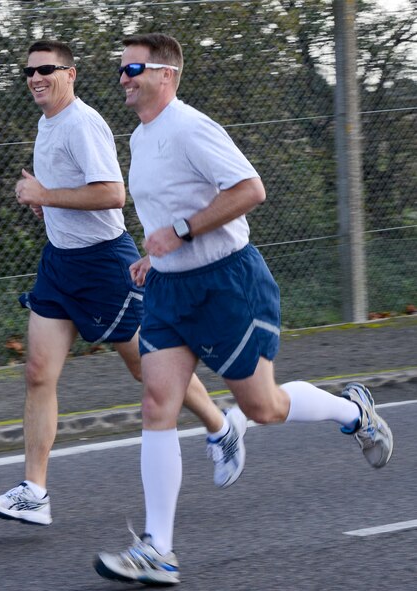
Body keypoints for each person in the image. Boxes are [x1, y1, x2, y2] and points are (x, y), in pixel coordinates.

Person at [94, 33, 394, 586]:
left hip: (228, 285)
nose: (123, 78)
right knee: (157, 401)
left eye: (133, 68)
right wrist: (151, 254)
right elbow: (168, 213)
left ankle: (355, 413)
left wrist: (181, 232)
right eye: (120, 70)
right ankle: (159, 548)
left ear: (166, 74)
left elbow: (249, 189)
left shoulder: (192, 128)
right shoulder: (139, 138)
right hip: (169, 291)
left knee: (262, 407)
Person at [0, 39, 248, 528]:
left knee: (149, 371)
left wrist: (45, 193)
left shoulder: (82, 124)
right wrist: (47, 202)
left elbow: (111, 194)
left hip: (105, 267)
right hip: (60, 266)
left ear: (71, 74)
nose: (36, 78)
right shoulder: (48, 123)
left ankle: (221, 425)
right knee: (38, 372)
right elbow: (72, 192)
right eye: (29, 72)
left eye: (46, 70)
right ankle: (34, 491)